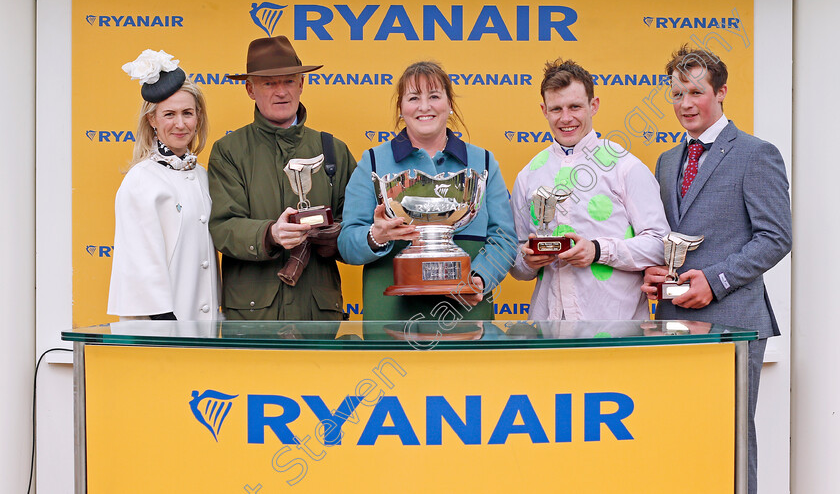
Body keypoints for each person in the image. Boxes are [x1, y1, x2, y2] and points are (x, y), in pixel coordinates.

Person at [641, 45, 792, 494]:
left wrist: (716, 280)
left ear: (721, 92)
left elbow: (776, 237)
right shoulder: (667, 162)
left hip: (733, 321)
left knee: (730, 438)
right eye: (676, 94)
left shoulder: (756, 154)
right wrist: (654, 274)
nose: (685, 104)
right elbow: (667, 238)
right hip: (672, 322)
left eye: (696, 92)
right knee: (680, 436)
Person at [338, 61, 517, 320]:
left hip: (464, 317)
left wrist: (478, 278)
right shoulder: (373, 162)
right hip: (391, 318)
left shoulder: (484, 163)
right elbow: (346, 244)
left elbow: (505, 238)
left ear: (449, 104)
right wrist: (376, 236)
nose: (424, 107)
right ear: (401, 108)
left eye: (434, 96)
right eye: (413, 98)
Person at [208, 35, 356, 320]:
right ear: (250, 89)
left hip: (319, 316)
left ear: (301, 85)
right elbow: (223, 227)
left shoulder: (334, 150)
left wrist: (335, 237)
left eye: (289, 81)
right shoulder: (228, 151)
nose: (281, 92)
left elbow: (355, 227)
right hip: (253, 318)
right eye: (269, 83)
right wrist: (271, 234)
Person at [509, 58, 669, 322]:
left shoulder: (625, 166)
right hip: (549, 330)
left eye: (575, 107)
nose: (566, 118)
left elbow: (660, 245)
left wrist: (597, 250)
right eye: (556, 109)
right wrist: (528, 261)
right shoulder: (528, 175)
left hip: (617, 328)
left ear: (593, 106)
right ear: (544, 110)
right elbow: (517, 265)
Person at [108, 49, 220, 320]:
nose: (180, 124)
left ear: (199, 117)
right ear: (152, 120)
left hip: (204, 326)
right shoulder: (141, 180)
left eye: (188, 113)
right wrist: (165, 326)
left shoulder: (204, 176)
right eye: (169, 114)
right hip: (162, 328)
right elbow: (140, 263)